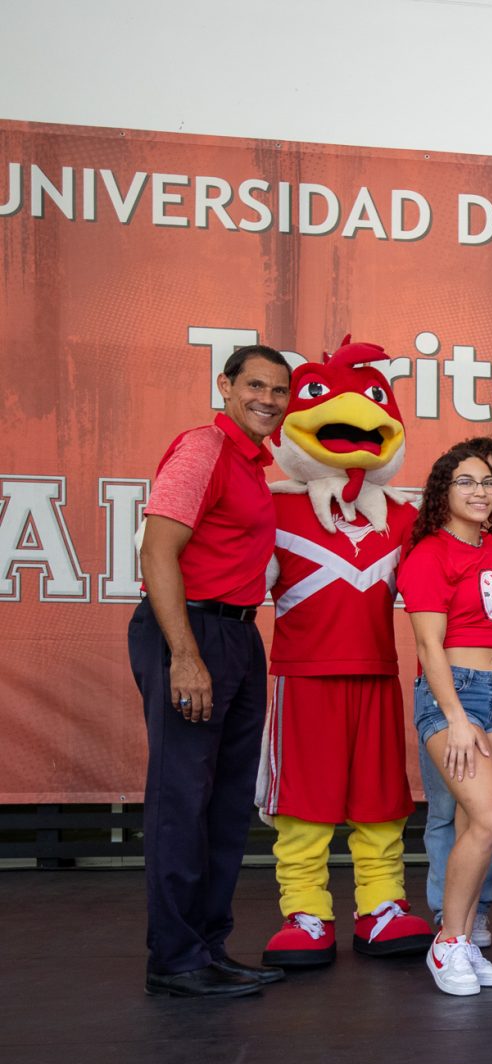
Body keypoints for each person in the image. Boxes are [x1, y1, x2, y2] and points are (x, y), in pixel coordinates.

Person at [257, 337, 429, 970]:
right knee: (303, 798)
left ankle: (381, 905)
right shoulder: (272, 506)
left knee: (381, 796)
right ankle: (305, 910)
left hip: (378, 675)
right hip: (302, 679)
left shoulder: (402, 519)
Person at [131, 343, 292, 998]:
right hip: (191, 630)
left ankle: (207, 946)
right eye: (255, 385)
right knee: (182, 800)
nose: (268, 400)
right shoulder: (203, 447)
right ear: (225, 385)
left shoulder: (254, 463)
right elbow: (157, 549)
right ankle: (174, 959)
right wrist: (185, 654)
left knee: (226, 804)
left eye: (279, 391)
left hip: (238, 632)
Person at [398, 445, 492, 996]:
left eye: (487, 484)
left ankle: (465, 940)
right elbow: (428, 643)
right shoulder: (429, 552)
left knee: (483, 828)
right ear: (442, 491)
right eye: (465, 482)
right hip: (459, 695)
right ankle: (448, 942)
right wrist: (454, 717)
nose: (480, 491)